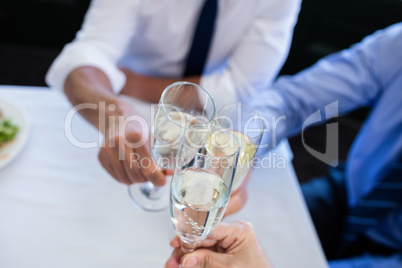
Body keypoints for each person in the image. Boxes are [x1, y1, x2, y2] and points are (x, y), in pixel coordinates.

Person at [166, 22, 402, 267]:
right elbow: (293, 99)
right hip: (351, 193)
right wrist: (242, 148)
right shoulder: (398, 43)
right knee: (243, 231)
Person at [45, 0, 301, 214]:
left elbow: (240, 89)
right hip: (120, 106)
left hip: (208, 120)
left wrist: (133, 83)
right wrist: (115, 115)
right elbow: (89, 51)